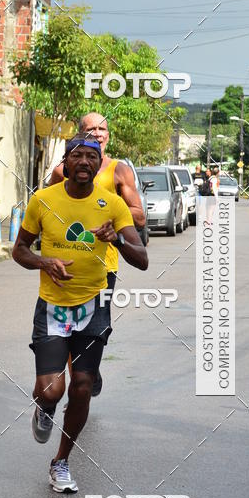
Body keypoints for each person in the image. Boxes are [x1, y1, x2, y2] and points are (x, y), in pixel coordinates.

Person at [13, 136, 148, 493]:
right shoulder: (43, 201)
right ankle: (44, 406)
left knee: (83, 387)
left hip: (94, 305)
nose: (85, 162)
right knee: (52, 390)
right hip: (52, 307)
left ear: (99, 164)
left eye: (92, 156)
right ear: (66, 163)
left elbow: (142, 259)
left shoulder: (114, 205)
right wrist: (45, 262)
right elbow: (20, 250)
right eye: (78, 156)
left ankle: (61, 462)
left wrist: (116, 240)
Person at [49, 112, 147, 397]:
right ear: (79, 134)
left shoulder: (118, 171)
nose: (98, 132)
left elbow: (139, 217)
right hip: (67, 259)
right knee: (65, 324)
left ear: (108, 135)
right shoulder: (59, 172)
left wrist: (110, 217)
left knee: (94, 323)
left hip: (105, 266)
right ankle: (80, 380)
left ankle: (89, 368)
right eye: (91, 128)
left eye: (102, 128)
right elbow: (46, 208)